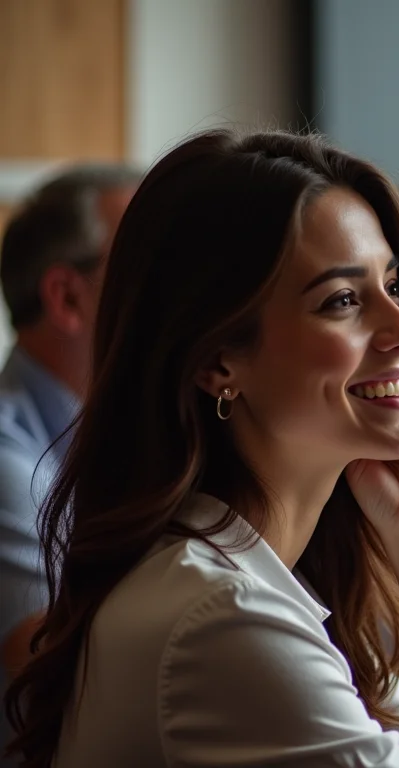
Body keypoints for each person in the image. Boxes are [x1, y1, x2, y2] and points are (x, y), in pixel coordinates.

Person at [3, 131, 399, 767]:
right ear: (218, 360)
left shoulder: (286, 592)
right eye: (343, 300)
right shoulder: (225, 620)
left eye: (392, 287)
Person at [0, 165, 139, 766]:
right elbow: (49, 663)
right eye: (151, 265)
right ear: (67, 297)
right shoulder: (6, 454)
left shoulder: (134, 430)